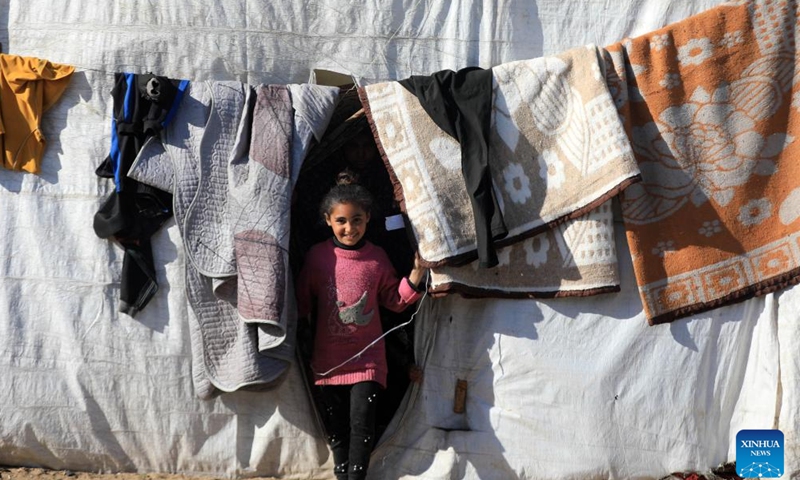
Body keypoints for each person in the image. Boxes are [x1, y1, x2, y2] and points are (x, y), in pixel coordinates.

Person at [296, 171, 427, 480]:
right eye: (341, 221)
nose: (349, 228)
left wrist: (416, 276)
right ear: (328, 220)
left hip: (368, 361)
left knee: (362, 425)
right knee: (338, 429)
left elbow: (394, 301)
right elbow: (302, 301)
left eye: (357, 220)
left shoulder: (377, 259)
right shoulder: (317, 258)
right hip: (328, 363)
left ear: (368, 218)